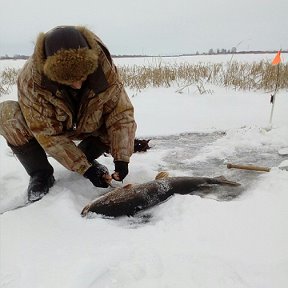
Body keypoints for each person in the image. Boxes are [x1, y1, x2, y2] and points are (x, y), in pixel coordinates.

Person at [0, 26, 137, 202]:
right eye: (70, 80)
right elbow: (45, 132)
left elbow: (121, 115)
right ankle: (40, 173)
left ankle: (86, 156)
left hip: (90, 124)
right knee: (6, 116)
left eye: (82, 77)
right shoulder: (31, 81)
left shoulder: (104, 69)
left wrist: (122, 159)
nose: (78, 85)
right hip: (54, 126)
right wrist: (85, 169)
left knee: (115, 123)